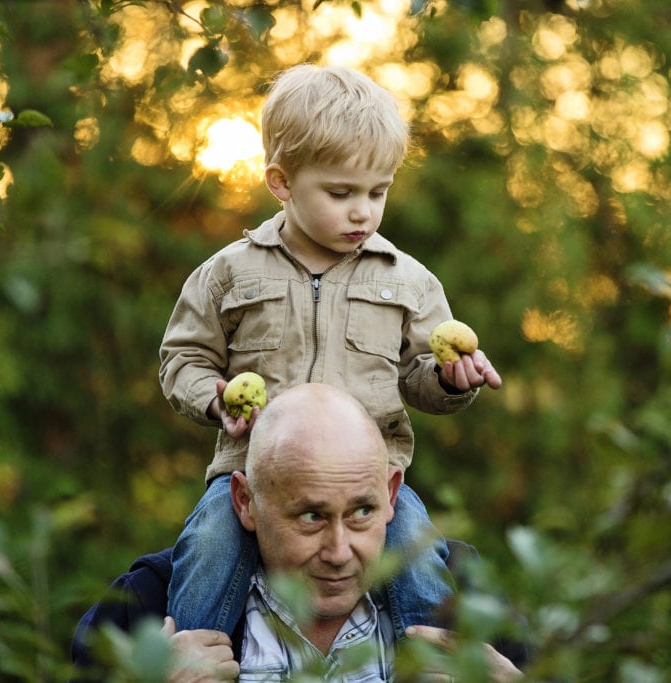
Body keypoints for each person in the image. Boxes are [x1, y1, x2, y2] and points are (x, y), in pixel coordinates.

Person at [158, 62, 503, 642]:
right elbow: (182, 360)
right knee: (209, 547)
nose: (363, 211)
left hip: (371, 486)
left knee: (420, 564)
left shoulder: (408, 281)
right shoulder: (228, 274)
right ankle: (196, 659)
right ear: (282, 182)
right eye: (341, 193)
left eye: (378, 191)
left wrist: (450, 380)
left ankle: (439, 667)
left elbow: (420, 382)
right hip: (252, 473)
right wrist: (213, 401)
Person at [138, 384, 521, 681]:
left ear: (391, 493)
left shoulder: (467, 594)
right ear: (244, 501)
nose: (339, 552)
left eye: (361, 512)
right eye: (311, 517)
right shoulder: (153, 602)